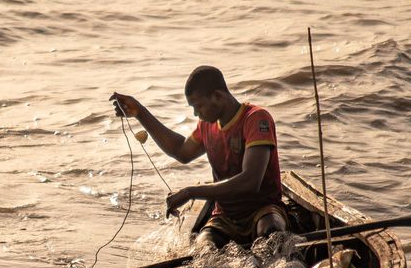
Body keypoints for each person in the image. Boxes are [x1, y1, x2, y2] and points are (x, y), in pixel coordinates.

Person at [110, 65, 288, 248]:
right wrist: (139, 112)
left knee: (271, 231)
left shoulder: (256, 118)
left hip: (262, 210)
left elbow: (251, 181)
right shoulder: (206, 126)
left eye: (198, 106)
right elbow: (181, 151)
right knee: (204, 248)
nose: (196, 114)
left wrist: (191, 192)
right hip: (225, 217)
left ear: (218, 96)